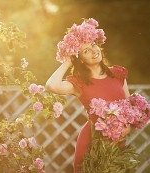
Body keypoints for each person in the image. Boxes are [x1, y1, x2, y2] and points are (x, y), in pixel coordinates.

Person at [46, 18, 138, 173]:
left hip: (116, 141)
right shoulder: (79, 83)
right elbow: (51, 85)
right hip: (92, 141)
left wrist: (128, 128)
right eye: (86, 51)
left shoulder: (118, 74)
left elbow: (131, 109)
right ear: (80, 59)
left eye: (94, 45)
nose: (94, 51)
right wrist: (68, 61)